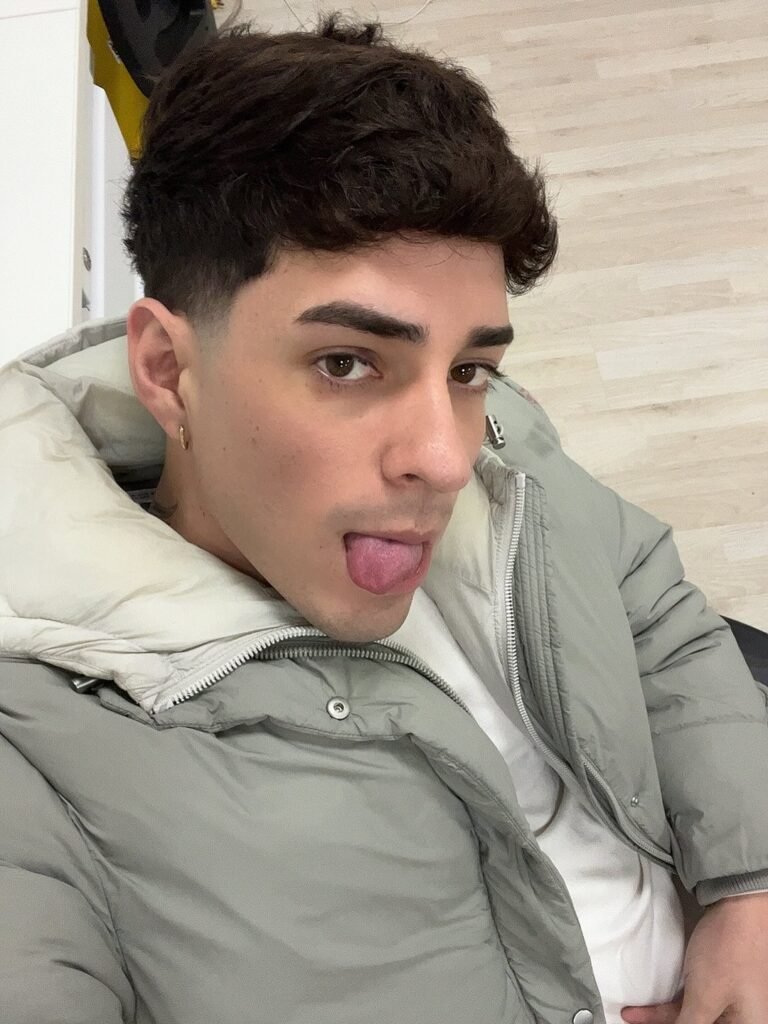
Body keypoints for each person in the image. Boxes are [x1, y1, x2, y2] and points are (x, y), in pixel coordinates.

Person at [0, 13, 766, 1024]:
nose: (445, 459)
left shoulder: (503, 445)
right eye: (346, 362)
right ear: (168, 371)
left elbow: (654, 609)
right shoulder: (37, 745)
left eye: (469, 367)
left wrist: (747, 885)